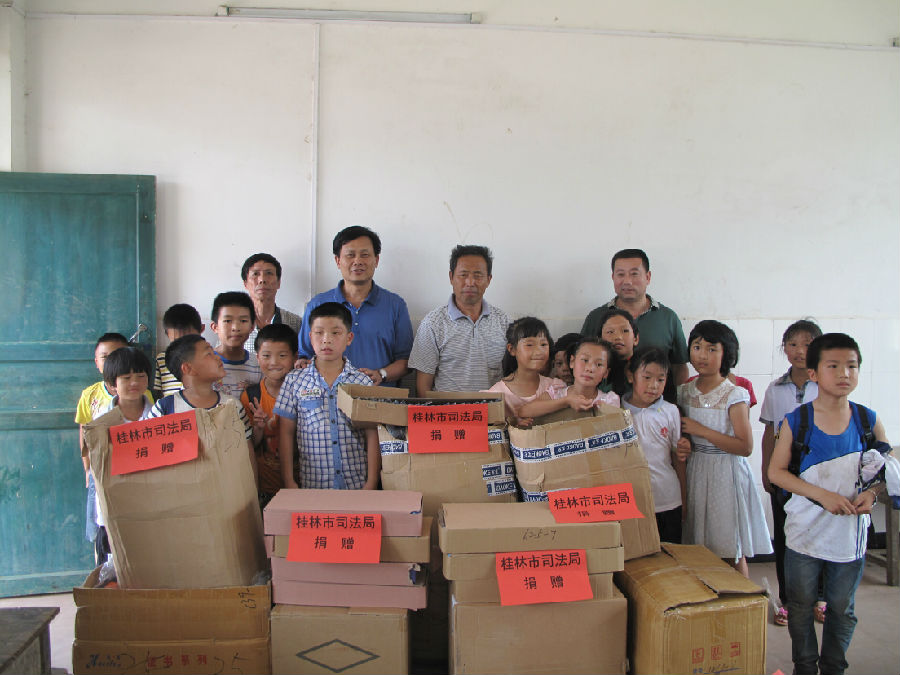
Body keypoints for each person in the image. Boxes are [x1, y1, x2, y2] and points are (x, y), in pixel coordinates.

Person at [768, 333, 895, 675]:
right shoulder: (798, 421)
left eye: (852, 366)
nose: (844, 374)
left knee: (841, 607)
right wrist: (821, 495)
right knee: (800, 605)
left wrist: (873, 493)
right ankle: (805, 667)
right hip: (803, 535)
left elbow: (886, 468)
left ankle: (834, 668)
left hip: (849, 537)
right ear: (813, 374)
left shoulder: (867, 420)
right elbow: (776, 472)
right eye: (834, 366)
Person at [677, 320, 771, 577]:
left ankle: (743, 599)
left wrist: (701, 431)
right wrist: (685, 444)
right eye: (697, 347)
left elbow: (745, 446)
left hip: (726, 474)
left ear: (726, 353)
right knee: (697, 546)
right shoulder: (683, 392)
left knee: (730, 548)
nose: (702, 355)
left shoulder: (734, 394)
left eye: (711, 349)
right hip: (696, 471)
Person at [759, 318, 823, 627]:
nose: (799, 350)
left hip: (818, 474)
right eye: (793, 344)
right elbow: (769, 432)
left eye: (807, 344)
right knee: (785, 537)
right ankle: (787, 600)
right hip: (784, 472)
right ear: (784, 348)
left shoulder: (825, 385)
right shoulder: (775, 389)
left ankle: (819, 598)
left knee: (819, 533)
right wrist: (766, 470)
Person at [275, 302, 379, 490]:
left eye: (335, 333)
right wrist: (289, 481)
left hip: (356, 484)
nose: (326, 340)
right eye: (319, 332)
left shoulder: (363, 382)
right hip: (313, 486)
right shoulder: (294, 381)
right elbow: (286, 433)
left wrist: (371, 482)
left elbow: (372, 434)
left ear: (349, 338)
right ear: (310, 337)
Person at [298, 226, 413, 386]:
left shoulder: (395, 305)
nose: (357, 261)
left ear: (376, 260)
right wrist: (303, 364)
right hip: (327, 397)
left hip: (378, 396)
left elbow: (406, 361)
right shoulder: (317, 304)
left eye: (364, 255)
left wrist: (381, 374)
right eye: (350, 255)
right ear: (338, 261)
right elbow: (304, 355)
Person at [581, 248, 688, 401]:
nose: (627, 281)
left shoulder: (668, 318)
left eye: (634, 274)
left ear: (648, 277)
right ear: (613, 277)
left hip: (655, 408)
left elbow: (679, 367)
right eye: (620, 274)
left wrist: (676, 404)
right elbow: (581, 363)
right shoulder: (596, 317)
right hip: (604, 407)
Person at [149, 333, 257, 483]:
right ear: (188, 368)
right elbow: (151, 456)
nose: (217, 357)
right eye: (209, 354)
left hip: (227, 490)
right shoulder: (164, 409)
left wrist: (253, 489)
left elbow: (247, 452)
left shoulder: (233, 405)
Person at [409, 245, 510, 393]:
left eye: (478, 275)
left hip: (492, 407)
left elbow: (513, 376)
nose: (470, 282)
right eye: (463, 275)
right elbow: (423, 387)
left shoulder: (503, 322)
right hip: (448, 407)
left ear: (489, 279)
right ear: (451, 277)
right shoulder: (433, 324)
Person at [90, 347, 155, 562]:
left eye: (141, 376)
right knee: (116, 564)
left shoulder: (159, 415)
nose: (134, 382)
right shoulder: (101, 421)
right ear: (112, 384)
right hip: (114, 505)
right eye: (126, 378)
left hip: (150, 504)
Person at [622, 347, 691, 543]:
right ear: (631, 376)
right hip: (633, 501)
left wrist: (683, 499)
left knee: (670, 553)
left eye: (661, 379)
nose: (653, 385)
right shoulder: (617, 410)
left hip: (668, 498)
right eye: (647, 377)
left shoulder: (671, 411)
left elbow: (678, 459)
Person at [74, 332, 130, 558]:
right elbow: (84, 432)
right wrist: (87, 467)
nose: (112, 362)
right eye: (105, 357)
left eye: (118, 355)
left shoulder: (141, 391)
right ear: (96, 362)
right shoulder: (90, 395)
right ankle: (101, 567)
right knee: (100, 527)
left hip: (129, 470)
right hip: (100, 469)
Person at [241, 323, 297, 507]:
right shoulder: (251, 396)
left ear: (295, 357)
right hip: (266, 487)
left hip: (302, 483)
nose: (273, 362)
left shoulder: (303, 393)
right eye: (266, 356)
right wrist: (258, 427)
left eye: (282, 356)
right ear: (257, 357)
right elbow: (251, 445)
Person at [487, 317, 566, 427]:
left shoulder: (555, 386)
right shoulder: (496, 394)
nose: (539, 351)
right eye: (529, 345)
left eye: (543, 344)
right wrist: (512, 425)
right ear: (512, 349)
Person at [519, 337, 619, 419]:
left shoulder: (609, 401)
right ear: (572, 362)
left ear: (606, 373)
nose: (589, 368)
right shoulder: (557, 393)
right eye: (585, 360)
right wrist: (567, 401)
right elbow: (524, 411)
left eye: (599, 364)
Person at [241, 253, 302, 355]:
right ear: (245, 284)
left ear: (278, 282)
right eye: (255, 274)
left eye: (269, 273)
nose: (262, 280)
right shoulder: (236, 324)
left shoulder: (295, 323)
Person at [210, 291, 261, 399]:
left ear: (252, 327)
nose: (236, 328)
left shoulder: (258, 365)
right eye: (228, 321)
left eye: (243, 321)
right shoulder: (205, 364)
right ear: (215, 327)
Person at [153, 303, 205, 397]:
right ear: (167, 334)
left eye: (189, 340)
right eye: (176, 342)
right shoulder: (161, 359)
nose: (183, 347)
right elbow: (158, 394)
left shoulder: (208, 359)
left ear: (201, 329)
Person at [598, 307, 640, 397]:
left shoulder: (644, 368)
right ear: (600, 339)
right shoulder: (594, 369)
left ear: (636, 339)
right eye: (610, 332)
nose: (618, 337)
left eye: (625, 331)